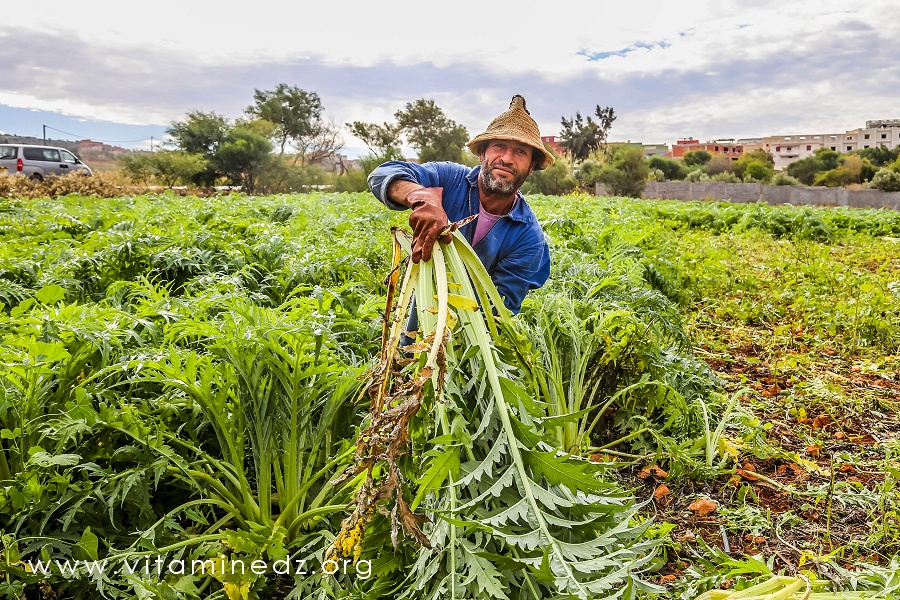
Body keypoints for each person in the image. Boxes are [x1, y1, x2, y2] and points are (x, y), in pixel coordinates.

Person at [367, 94, 553, 319]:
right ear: (482, 153)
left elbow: (499, 310)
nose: (506, 158)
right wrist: (421, 198)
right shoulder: (450, 178)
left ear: (532, 167)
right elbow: (382, 174)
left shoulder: (528, 237)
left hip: (474, 332)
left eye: (521, 151)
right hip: (419, 318)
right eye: (499, 146)